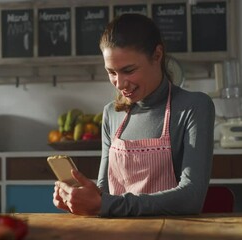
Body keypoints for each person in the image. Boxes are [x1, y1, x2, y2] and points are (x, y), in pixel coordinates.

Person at [53, 13, 215, 217]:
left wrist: (103, 203)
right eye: (111, 72)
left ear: (157, 55)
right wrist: (79, 199)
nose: (119, 84)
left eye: (128, 70)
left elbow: (191, 198)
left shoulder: (194, 107)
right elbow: (105, 194)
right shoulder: (111, 113)